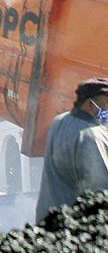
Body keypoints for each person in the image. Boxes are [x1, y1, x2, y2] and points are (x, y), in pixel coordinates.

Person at [36, 77, 108, 219]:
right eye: (107, 105)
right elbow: (102, 189)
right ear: (90, 105)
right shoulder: (90, 136)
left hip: (47, 218)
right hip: (74, 222)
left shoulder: (59, 121)